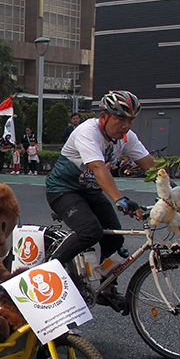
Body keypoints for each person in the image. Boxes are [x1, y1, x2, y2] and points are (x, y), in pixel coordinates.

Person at [45, 90, 156, 311]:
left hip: (91, 192)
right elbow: (97, 167)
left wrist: (173, 192)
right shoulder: (87, 131)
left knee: (114, 239)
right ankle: (47, 273)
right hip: (63, 190)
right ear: (104, 117)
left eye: (130, 120)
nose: (126, 125)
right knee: (90, 231)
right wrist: (120, 198)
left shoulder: (126, 138)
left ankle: (106, 289)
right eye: (120, 119)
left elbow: (149, 164)